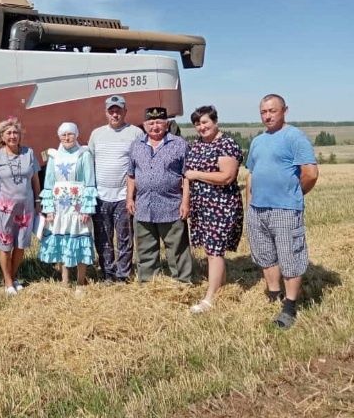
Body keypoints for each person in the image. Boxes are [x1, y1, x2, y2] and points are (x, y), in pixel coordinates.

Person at [245, 94, 318, 329]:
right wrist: (250, 204)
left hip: (285, 209)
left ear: (284, 110)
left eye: (272, 111)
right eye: (263, 112)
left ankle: (289, 306)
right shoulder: (258, 141)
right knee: (265, 255)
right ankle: (274, 295)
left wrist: (294, 194)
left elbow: (310, 173)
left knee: (290, 257)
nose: (267, 116)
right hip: (258, 209)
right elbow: (252, 174)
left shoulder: (294, 137)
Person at [184, 106, 244, 313]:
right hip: (201, 206)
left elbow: (227, 176)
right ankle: (220, 288)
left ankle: (209, 299)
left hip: (221, 205)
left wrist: (197, 174)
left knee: (214, 251)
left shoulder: (226, 144)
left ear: (215, 121)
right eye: (197, 124)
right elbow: (187, 175)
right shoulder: (196, 145)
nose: (201, 127)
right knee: (210, 249)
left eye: (205, 122)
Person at [126, 107, 193, 283]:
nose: (155, 126)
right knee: (146, 248)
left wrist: (185, 202)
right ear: (144, 125)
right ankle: (148, 282)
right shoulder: (136, 145)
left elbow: (187, 176)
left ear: (167, 124)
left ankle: (182, 282)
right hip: (144, 205)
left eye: (159, 122)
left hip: (171, 205)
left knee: (177, 248)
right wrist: (129, 198)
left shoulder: (179, 144)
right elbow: (131, 175)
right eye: (151, 123)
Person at [88, 95, 144, 284]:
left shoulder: (135, 133)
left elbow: (139, 164)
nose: (115, 114)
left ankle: (123, 274)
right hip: (100, 195)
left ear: (125, 112)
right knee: (103, 236)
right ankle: (107, 272)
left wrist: (133, 194)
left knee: (124, 237)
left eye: (118, 110)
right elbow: (89, 163)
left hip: (123, 196)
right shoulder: (96, 134)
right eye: (111, 110)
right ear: (106, 113)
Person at [0, 117, 41, 295]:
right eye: (8, 133)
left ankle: (13, 276)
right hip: (4, 209)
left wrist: (38, 201)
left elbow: (35, 180)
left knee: (21, 244)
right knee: (6, 245)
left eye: (15, 132)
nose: (12, 136)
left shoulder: (29, 153)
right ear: (2, 136)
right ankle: (8, 282)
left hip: (25, 208)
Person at [38, 122, 97, 290]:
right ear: (59, 136)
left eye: (70, 134)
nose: (66, 137)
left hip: (77, 207)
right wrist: (48, 208)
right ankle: (64, 281)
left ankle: (80, 282)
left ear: (76, 135)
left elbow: (89, 182)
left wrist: (86, 208)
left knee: (79, 241)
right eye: (63, 134)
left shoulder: (83, 154)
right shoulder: (54, 156)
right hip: (59, 207)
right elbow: (48, 184)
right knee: (63, 242)